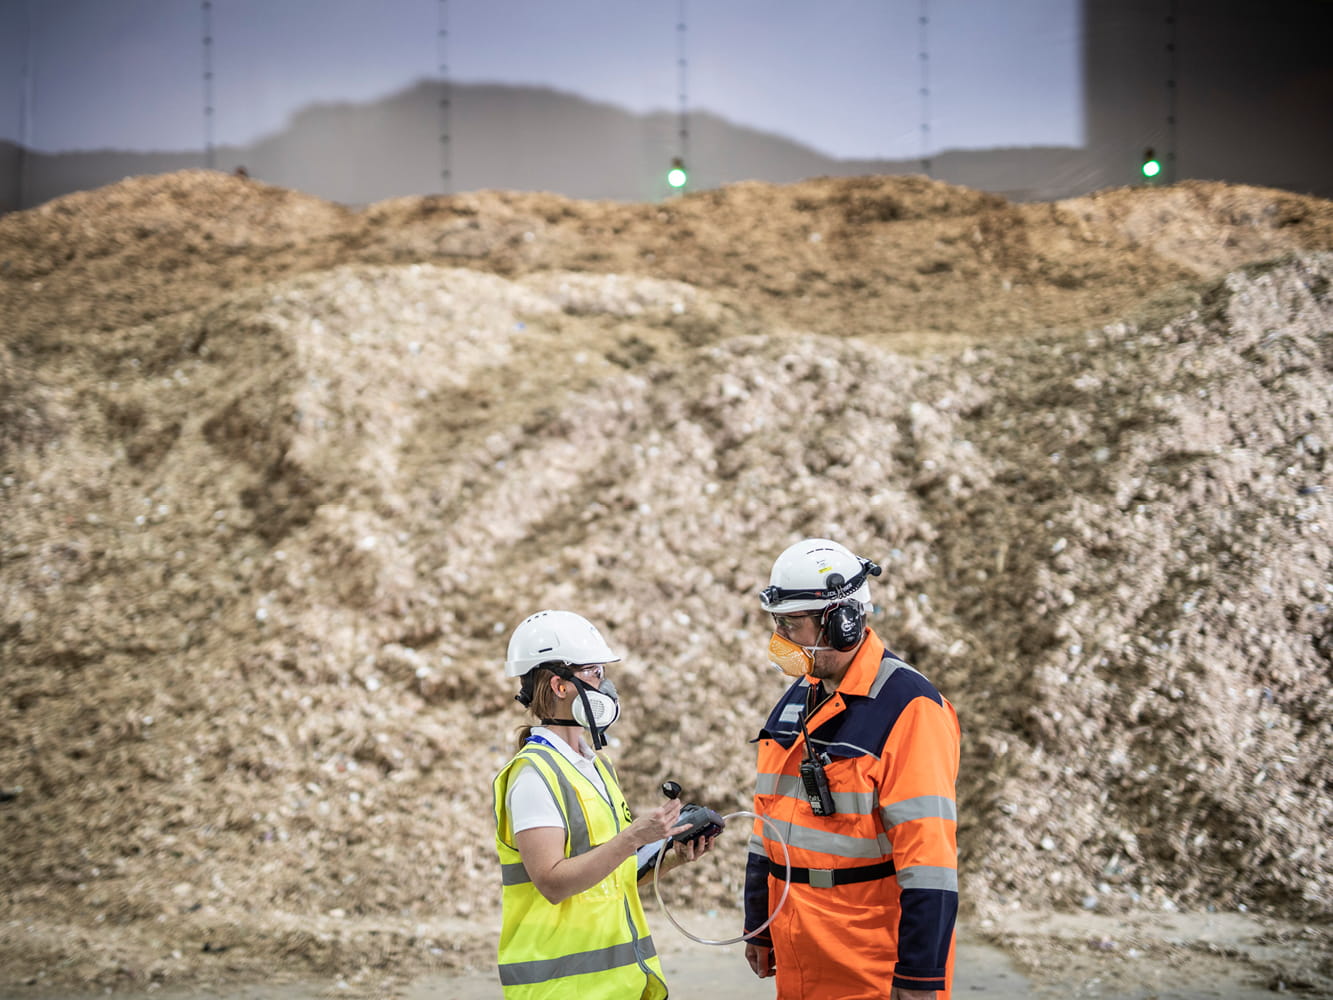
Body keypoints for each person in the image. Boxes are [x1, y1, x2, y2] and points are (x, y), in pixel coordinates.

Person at [743, 539, 961, 1000]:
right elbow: (769, 817)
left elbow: (929, 860)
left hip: (869, 962)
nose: (780, 640)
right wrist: (759, 922)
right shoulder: (804, 693)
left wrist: (921, 976)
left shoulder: (911, 709)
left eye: (791, 625)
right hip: (802, 947)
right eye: (777, 624)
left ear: (843, 622)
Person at [492, 609, 715, 999]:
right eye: (594, 672)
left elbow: (608, 877)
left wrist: (672, 856)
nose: (605, 685)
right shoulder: (533, 777)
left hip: (618, 985)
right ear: (560, 686)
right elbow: (552, 883)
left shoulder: (595, 767)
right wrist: (632, 839)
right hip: (563, 988)